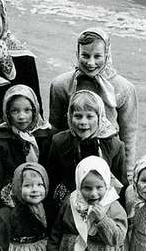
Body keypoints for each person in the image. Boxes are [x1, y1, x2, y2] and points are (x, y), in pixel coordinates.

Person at [49, 27, 138, 180]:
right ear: (77, 54)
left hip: (107, 157)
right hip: (70, 158)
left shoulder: (124, 89)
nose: (91, 63)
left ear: (107, 55)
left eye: (97, 56)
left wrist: (128, 174)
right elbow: (55, 128)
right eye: (85, 55)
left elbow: (128, 134)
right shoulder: (61, 85)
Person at [47, 156, 128, 251]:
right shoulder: (71, 202)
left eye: (99, 187)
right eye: (87, 188)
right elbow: (57, 229)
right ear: (79, 185)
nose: (93, 193)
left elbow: (117, 238)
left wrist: (103, 220)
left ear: (107, 185)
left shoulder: (113, 206)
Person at [47, 89, 128, 212]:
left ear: (99, 117)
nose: (83, 122)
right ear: (70, 116)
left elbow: (121, 184)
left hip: (100, 200)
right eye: (78, 116)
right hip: (68, 202)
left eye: (89, 116)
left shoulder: (114, 146)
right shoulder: (59, 142)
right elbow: (52, 177)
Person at [0, 84, 55, 220]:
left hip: (41, 195)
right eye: (15, 111)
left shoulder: (47, 134)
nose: (21, 116)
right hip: (10, 199)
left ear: (35, 110)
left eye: (27, 110)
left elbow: (51, 173)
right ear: (7, 112)